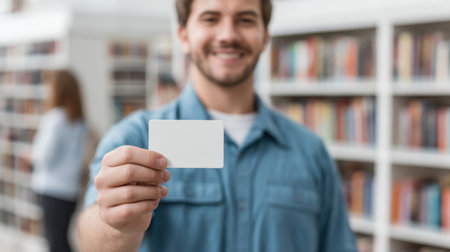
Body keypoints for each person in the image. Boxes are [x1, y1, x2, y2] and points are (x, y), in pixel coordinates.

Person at [77, 0, 357, 251]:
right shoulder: (135, 137)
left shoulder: (311, 151)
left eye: (245, 19)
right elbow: (90, 238)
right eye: (210, 18)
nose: (228, 35)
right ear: (184, 36)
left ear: (264, 36)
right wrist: (113, 225)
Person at [31, 70, 87, 252]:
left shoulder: (54, 119)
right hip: (70, 190)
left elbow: (43, 157)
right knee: (62, 239)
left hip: (51, 188)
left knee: (55, 242)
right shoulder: (81, 121)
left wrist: (31, 155)